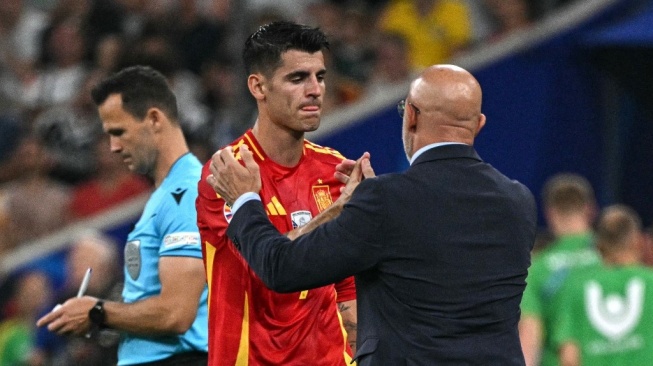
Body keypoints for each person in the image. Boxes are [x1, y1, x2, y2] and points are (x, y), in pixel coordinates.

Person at [205, 64, 537, 364]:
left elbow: (282, 267)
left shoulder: (385, 202)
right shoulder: (518, 200)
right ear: (478, 125)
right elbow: (443, 251)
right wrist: (376, 207)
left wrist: (245, 198)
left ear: (411, 116)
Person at [194, 21, 358, 365]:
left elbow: (347, 287)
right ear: (258, 86)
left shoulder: (335, 170)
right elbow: (270, 267)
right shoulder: (227, 174)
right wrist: (339, 214)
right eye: (297, 79)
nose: (315, 90)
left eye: (320, 76)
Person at [36, 65, 209, 365]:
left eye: (119, 132)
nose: (114, 147)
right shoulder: (163, 197)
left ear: (154, 120)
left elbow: (177, 314)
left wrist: (98, 311)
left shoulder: (184, 196)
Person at [551, 205, 653, 366]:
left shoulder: (575, 287)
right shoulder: (650, 283)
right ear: (637, 240)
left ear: (598, 245)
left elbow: (569, 358)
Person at [519, 173, 601, 366]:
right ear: (591, 209)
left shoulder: (538, 269)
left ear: (550, 213)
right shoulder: (614, 258)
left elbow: (530, 336)